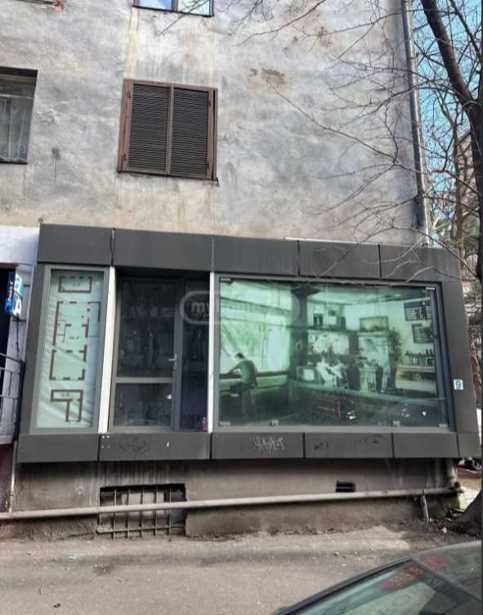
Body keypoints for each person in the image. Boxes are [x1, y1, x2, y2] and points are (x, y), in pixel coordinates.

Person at [228, 353, 258, 419]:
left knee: (232, 387)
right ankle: (250, 414)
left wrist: (236, 373)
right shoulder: (251, 362)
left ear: (239, 358)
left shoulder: (241, 363)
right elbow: (255, 372)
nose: (236, 360)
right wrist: (241, 373)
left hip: (245, 383)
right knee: (248, 399)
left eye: (236, 359)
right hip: (252, 383)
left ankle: (236, 399)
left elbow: (230, 371)